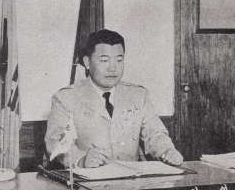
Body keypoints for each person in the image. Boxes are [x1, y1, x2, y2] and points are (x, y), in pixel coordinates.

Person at [45, 29, 184, 168]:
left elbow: (155, 133)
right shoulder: (66, 98)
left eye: (119, 60)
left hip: (131, 176)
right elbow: (56, 141)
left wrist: (167, 151)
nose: (112, 68)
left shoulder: (139, 95)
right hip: (89, 177)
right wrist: (81, 160)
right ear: (87, 62)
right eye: (104, 60)